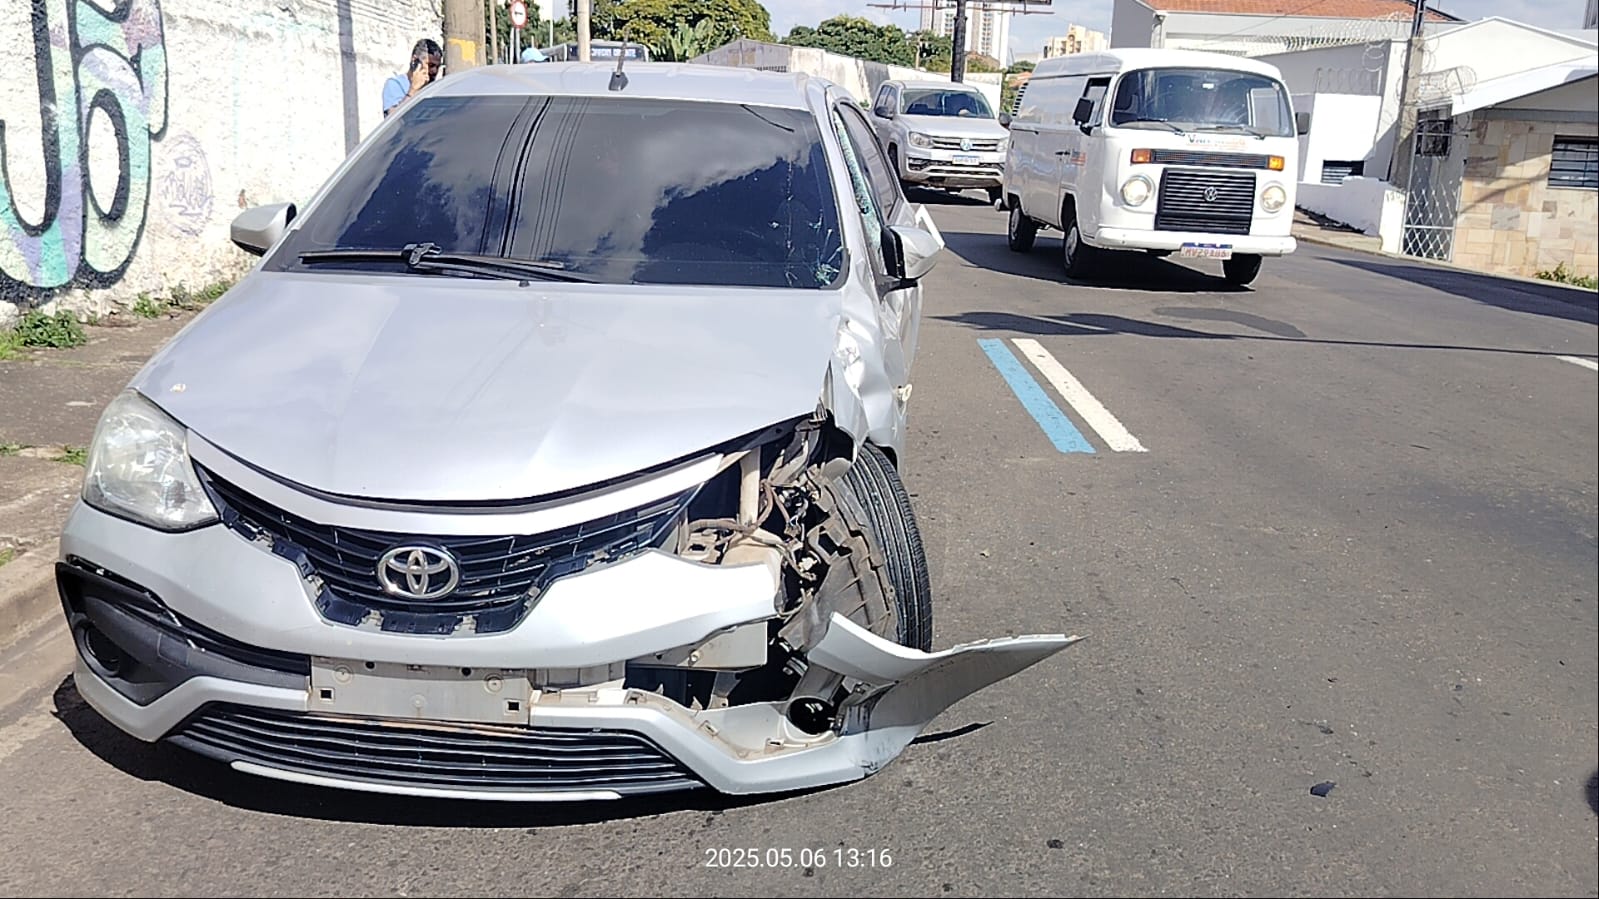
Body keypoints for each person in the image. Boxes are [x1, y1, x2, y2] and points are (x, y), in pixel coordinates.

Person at [383, 39, 442, 118]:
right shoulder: (395, 84)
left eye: (437, 67)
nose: (434, 71)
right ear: (415, 60)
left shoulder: (435, 89)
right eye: (430, 65)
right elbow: (392, 120)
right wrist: (413, 90)